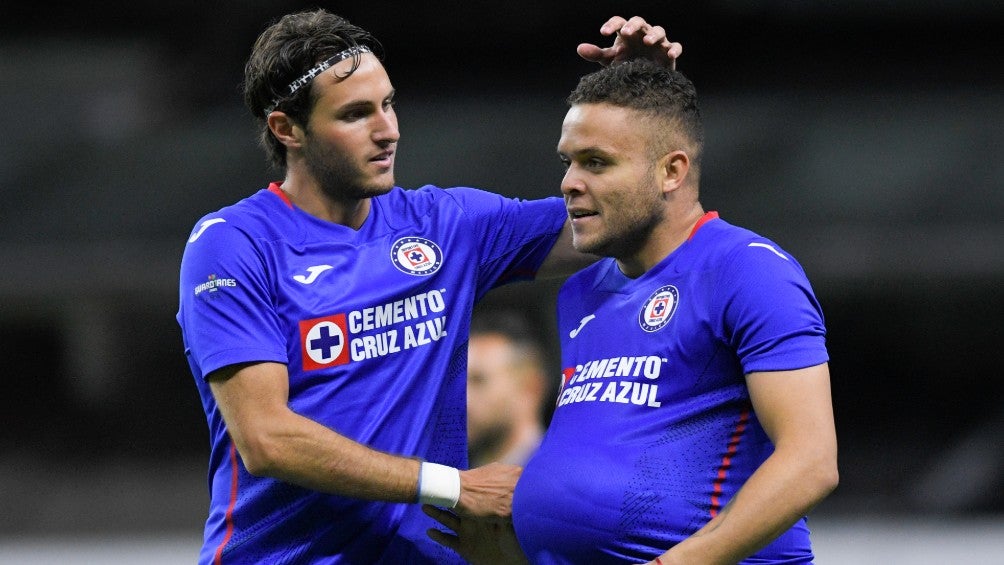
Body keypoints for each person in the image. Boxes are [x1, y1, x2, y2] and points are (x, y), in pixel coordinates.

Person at [176, 8, 682, 564]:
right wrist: (455, 486)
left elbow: (621, 222)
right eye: (355, 114)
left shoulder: (445, 226)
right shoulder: (234, 244)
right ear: (287, 129)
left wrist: (640, 107)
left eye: (388, 104)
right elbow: (266, 439)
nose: (387, 129)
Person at [427, 62, 839, 564]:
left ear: (672, 171)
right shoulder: (580, 293)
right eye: (568, 162)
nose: (569, 183)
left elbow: (811, 462)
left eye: (596, 162)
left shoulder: (746, 269)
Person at [467, 310, 551, 468]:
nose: (464, 399)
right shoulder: (456, 480)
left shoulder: (563, 480)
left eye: (479, 380)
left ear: (530, 388)